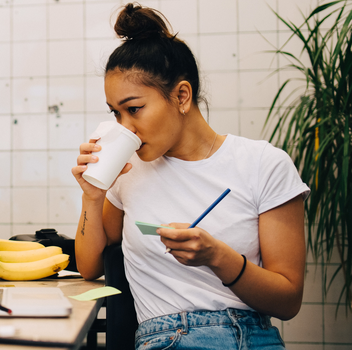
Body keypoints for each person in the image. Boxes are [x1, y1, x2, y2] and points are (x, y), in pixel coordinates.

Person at [72, 3, 310, 349]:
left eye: (133, 109)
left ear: (182, 96)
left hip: (251, 336)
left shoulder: (264, 164)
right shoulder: (128, 173)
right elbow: (89, 266)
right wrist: (91, 193)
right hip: (165, 339)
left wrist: (218, 257)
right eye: (115, 113)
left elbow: (288, 302)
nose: (125, 127)